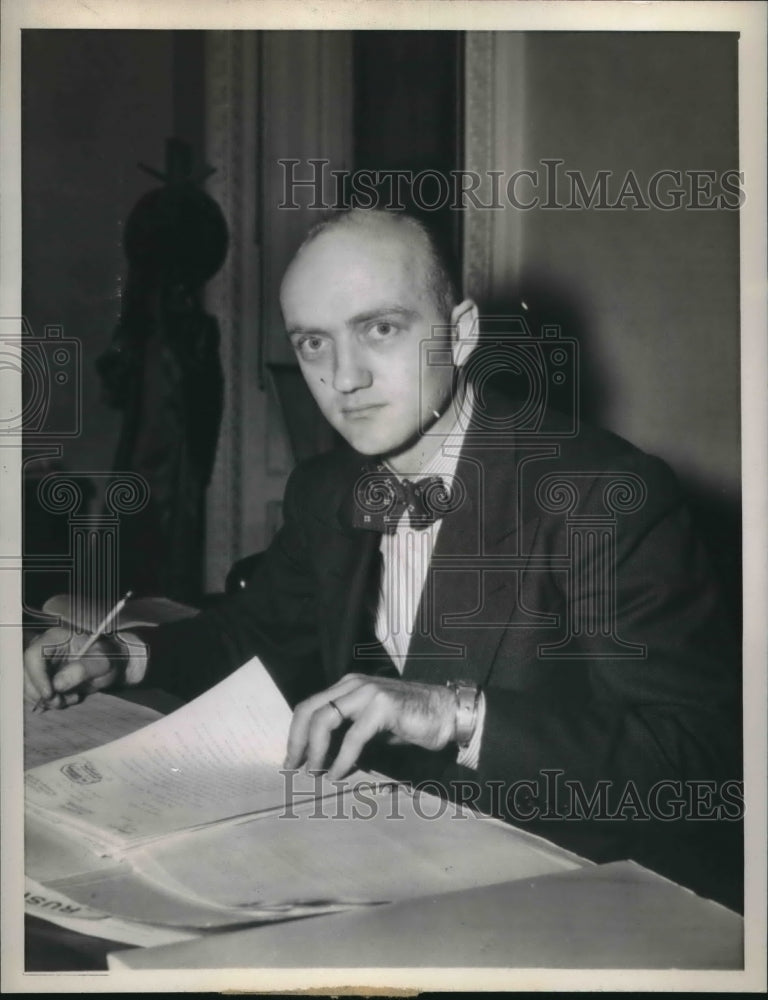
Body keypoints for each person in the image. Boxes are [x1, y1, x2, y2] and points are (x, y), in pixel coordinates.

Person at [24, 208, 741, 906]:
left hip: (572, 891)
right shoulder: (329, 488)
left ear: (459, 335)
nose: (344, 378)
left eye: (381, 329)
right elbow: (256, 631)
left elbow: (698, 760)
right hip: (381, 866)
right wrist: (124, 656)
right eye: (312, 343)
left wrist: (452, 714)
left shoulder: (603, 494)